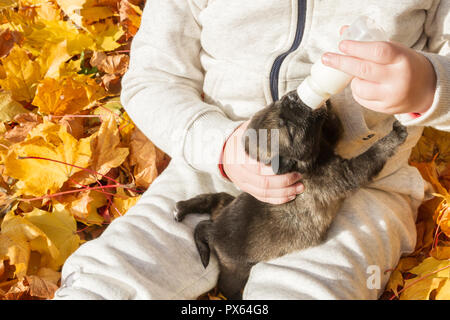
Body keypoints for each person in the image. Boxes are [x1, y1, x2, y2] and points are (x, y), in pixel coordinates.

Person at [53, 0, 450, 299]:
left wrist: (431, 84)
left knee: (308, 289)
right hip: (210, 171)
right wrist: (221, 146)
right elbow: (154, 78)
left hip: (361, 190)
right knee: (116, 272)